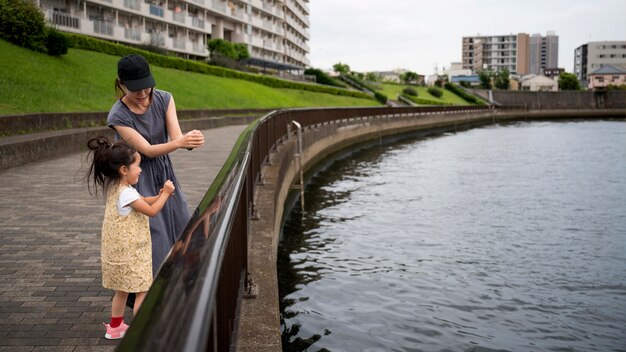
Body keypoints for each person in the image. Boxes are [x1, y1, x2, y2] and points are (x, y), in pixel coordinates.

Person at [107, 54, 205, 277]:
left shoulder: (165, 98)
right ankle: (149, 289)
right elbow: (147, 150)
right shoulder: (118, 115)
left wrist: (189, 141)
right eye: (135, 89)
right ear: (122, 85)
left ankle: (181, 278)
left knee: (179, 219)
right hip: (137, 175)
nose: (143, 94)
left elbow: (176, 136)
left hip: (164, 170)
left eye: (147, 87)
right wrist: (179, 142)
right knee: (153, 231)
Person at [85, 136, 175, 339]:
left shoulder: (118, 189)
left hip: (119, 255)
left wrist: (161, 195)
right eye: (138, 165)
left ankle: (115, 327)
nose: (140, 169)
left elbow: (142, 201)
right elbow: (151, 211)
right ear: (124, 170)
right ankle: (143, 332)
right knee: (142, 292)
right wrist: (166, 194)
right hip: (132, 256)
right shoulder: (127, 193)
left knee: (122, 291)